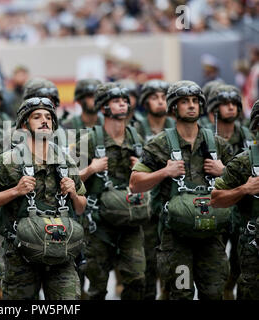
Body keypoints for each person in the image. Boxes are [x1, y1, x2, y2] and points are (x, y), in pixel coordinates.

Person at [0, 96, 87, 299]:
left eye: (48, 117)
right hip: (21, 256)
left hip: (61, 251)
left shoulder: (65, 161)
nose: (44, 121)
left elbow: (80, 207)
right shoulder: (9, 160)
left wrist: (73, 194)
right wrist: (15, 191)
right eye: (37, 117)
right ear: (25, 125)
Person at [129, 80, 233, 300]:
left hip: (211, 234)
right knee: (181, 293)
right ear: (174, 107)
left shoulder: (218, 144)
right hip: (176, 238)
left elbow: (244, 185)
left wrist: (224, 171)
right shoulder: (160, 144)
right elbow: (135, 183)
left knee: (214, 292)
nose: (192, 105)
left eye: (195, 101)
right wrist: (164, 173)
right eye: (185, 101)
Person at [74, 82, 147, 300]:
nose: (123, 104)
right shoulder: (88, 141)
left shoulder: (137, 140)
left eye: (125, 100)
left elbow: (151, 179)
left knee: (137, 278)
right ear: (103, 107)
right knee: (97, 286)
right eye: (116, 101)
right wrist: (91, 169)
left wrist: (141, 169)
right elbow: (68, 180)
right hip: (99, 225)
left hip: (130, 221)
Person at [206, 84, 254, 299]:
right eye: (225, 104)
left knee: (238, 262)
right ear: (214, 109)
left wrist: (223, 170)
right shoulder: (206, 138)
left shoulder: (248, 136)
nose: (231, 108)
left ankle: (228, 291)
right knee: (215, 262)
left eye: (234, 104)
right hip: (214, 205)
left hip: (242, 210)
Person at [134, 79, 174, 300]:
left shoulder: (177, 128)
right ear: (145, 102)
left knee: (174, 260)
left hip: (171, 199)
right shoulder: (137, 129)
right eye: (154, 97)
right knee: (148, 259)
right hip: (145, 202)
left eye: (163, 97)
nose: (160, 102)